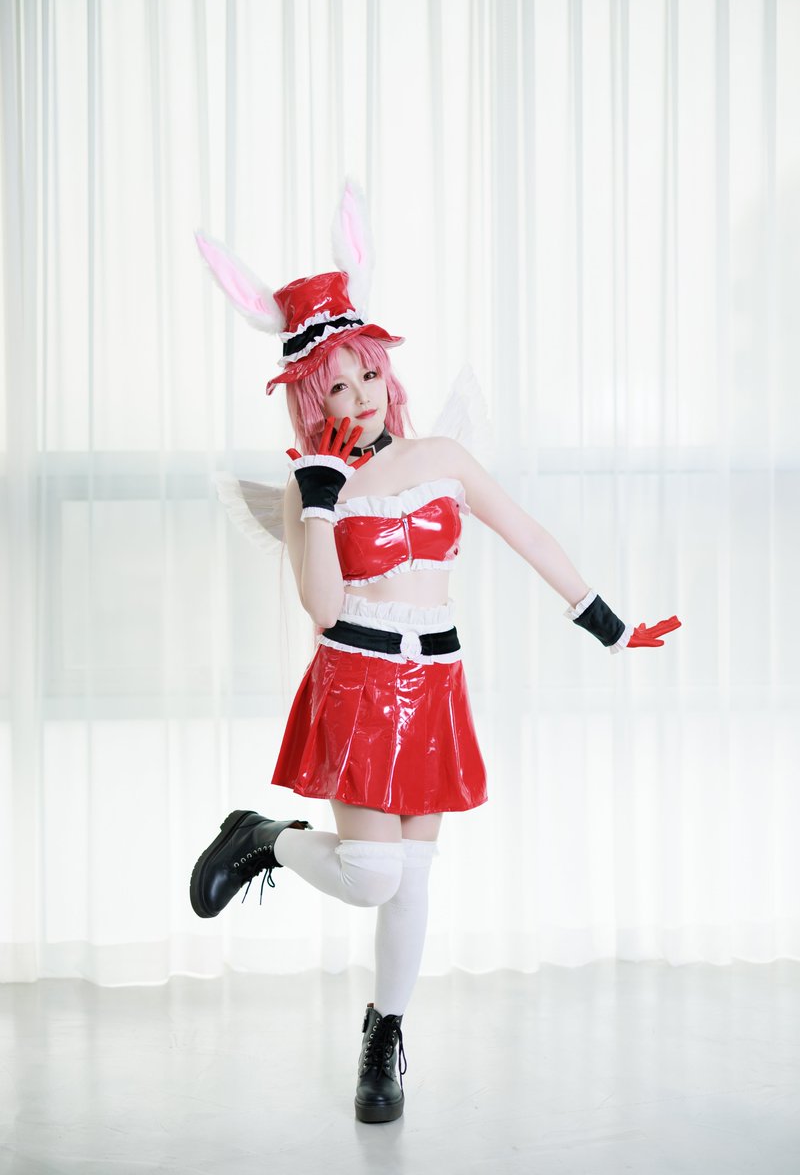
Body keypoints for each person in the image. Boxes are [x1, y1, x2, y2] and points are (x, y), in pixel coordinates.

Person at [188, 180, 681, 1125]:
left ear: (387, 371)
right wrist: (321, 499)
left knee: (412, 882)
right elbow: (322, 608)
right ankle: (264, 839)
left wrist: (612, 625)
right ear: (308, 399)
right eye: (336, 386)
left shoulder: (443, 456)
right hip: (358, 682)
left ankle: (384, 1038)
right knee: (372, 875)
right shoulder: (308, 486)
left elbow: (526, 531)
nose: (360, 397)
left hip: (437, 682)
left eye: (367, 376)